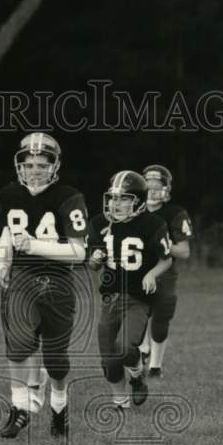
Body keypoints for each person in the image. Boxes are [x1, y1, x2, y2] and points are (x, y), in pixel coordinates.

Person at [0, 133, 88, 438]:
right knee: (18, 343)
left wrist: (32, 245)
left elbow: (79, 252)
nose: (34, 170)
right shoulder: (8, 194)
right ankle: (19, 408)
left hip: (57, 281)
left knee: (55, 361)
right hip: (21, 279)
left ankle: (59, 405)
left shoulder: (69, 196)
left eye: (41, 164)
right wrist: (2, 248)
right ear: (19, 165)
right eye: (29, 164)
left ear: (54, 166)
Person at [87, 171, 172, 409]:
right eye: (113, 198)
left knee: (124, 348)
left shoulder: (152, 224)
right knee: (108, 358)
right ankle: (120, 400)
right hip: (110, 298)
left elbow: (166, 259)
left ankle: (136, 373)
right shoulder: (99, 223)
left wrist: (151, 274)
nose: (116, 203)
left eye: (124, 198)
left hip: (138, 298)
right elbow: (93, 265)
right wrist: (95, 258)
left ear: (139, 201)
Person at [135, 164, 194, 378]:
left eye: (156, 186)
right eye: (147, 186)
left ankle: (155, 365)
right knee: (137, 315)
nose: (151, 191)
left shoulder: (175, 213)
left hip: (164, 271)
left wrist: (160, 245)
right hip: (135, 269)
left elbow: (184, 251)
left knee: (161, 319)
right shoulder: (132, 209)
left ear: (166, 189)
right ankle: (142, 349)